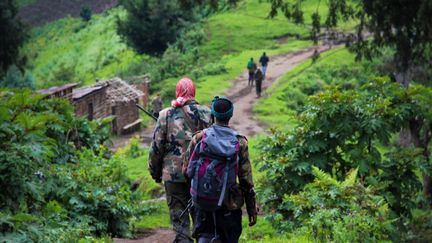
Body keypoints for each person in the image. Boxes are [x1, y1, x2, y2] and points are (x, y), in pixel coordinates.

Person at [182, 96, 258, 243]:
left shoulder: (199, 138)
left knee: (203, 237)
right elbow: (246, 180)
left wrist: (198, 189)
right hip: (229, 205)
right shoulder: (240, 142)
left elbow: (186, 171)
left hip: (203, 202)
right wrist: (251, 208)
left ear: (213, 115)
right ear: (230, 115)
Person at [148, 77, 212, 243]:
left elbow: (156, 148)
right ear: (193, 92)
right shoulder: (207, 113)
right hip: (200, 175)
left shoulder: (165, 115)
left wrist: (155, 173)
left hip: (173, 175)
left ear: (177, 92)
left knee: (179, 220)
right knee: (201, 218)